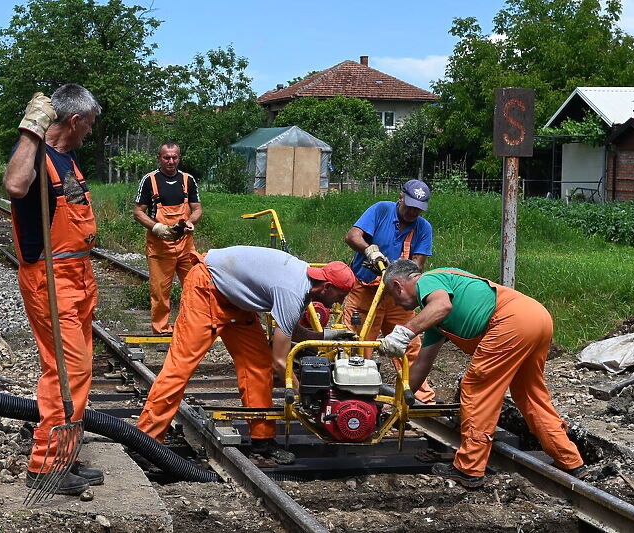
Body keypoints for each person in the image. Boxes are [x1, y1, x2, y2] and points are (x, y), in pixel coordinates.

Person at [137, 246, 357, 464]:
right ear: (327, 287)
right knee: (179, 368)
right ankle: (146, 442)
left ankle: (263, 441)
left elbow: (290, 328)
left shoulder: (307, 283)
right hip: (206, 287)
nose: (340, 303)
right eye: (341, 295)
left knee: (258, 366)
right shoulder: (293, 291)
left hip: (236, 301)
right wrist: (306, 396)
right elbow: (280, 362)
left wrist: (326, 335)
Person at [379, 259, 588, 488]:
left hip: (510, 321)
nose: (397, 304)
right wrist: (397, 401)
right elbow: (421, 365)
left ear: (398, 285)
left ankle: (469, 469)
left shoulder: (429, 281)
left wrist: (404, 332)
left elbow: (442, 306)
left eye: (392, 295)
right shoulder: (434, 320)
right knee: (529, 394)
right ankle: (570, 461)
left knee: (476, 388)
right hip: (537, 318)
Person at [4, 84, 104, 496]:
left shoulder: (68, 157)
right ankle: (45, 467)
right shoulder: (36, 154)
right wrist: (31, 130)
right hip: (51, 278)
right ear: (75, 120)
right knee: (65, 371)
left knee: (80, 372)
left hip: (77, 275)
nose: (91, 133)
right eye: (90, 124)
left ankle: (65, 454)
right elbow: (13, 185)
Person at [343, 179, 436, 403]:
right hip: (366, 291)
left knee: (409, 347)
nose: (413, 212)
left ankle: (421, 399)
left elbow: (418, 264)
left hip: (399, 297)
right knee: (358, 346)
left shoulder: (423, 228)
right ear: (401, 197)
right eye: (411, 205)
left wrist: (397, 273)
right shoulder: (381, 210)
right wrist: (370, 251)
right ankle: (354, 397)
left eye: (419, 209)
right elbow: (352, 236)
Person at [133, 143, 202, 337]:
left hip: (185, 246)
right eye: (166, 157)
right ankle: (162, 329)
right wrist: (156, 227)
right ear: (159, 158)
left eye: (174, 157)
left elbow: (197, 209)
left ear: (179, 158)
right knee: (160, 291)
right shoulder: (150, 180)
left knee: (195, 286)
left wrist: (190, 221)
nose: (170, 161)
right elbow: (138, 212)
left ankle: (192, 326)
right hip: (160, 247)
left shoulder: (188, 180)